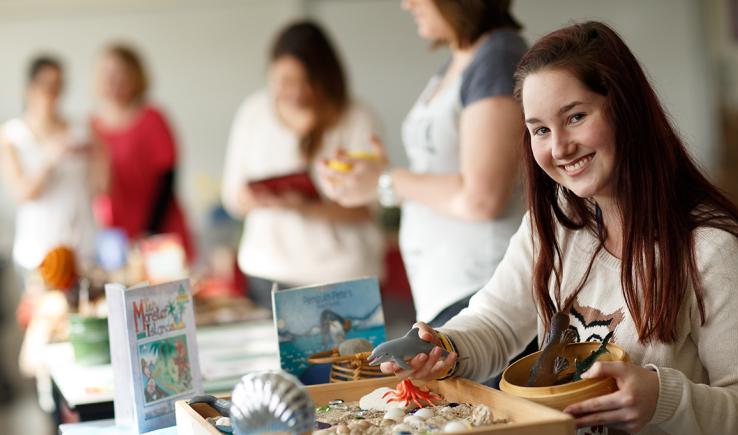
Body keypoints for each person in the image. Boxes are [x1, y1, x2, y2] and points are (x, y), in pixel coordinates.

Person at [380, 21, 738, 434]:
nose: (559, 147)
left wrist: (661, 398)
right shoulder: (557, 222)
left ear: (626, 109)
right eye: (540, 130)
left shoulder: (713, 250)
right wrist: (443, 347)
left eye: (576, 117)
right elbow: (497, 322)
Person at [318, 0, 528, 327]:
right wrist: (374, 177)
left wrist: (386, 179)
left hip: (481, 292)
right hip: (451, 291)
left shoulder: (497, 59)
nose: (407, 4)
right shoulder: (459, 61)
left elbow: (482, 198)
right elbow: (442, 176)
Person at [221, 21, 383, 309]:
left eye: (306, 82)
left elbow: (367, 208)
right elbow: (233, 199)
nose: (295, 91)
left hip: (342, 277)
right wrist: (258, 198)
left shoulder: (357, 118)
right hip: (267, 273)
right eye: (285, 81)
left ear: (326, 79)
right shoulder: (253, 113)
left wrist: (303, 206)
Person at [0, 55, 104, 285]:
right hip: (38, 253)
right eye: (47, 84)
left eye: (59, 84)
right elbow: (23, 193)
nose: (54, 92)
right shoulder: (12, 135)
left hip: (82, 248)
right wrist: (51, 157)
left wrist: (99, 156)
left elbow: (101, 187)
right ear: (31, 87)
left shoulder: (82, 129)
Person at [91, 44, 195, 261]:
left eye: (120, 73)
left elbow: (167, 179)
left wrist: (149, 233)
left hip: (160, 230)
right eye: (106, 73)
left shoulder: (152, 118)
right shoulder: (91, 127)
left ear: (135, 76)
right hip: (116, 239)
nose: (113, 80)